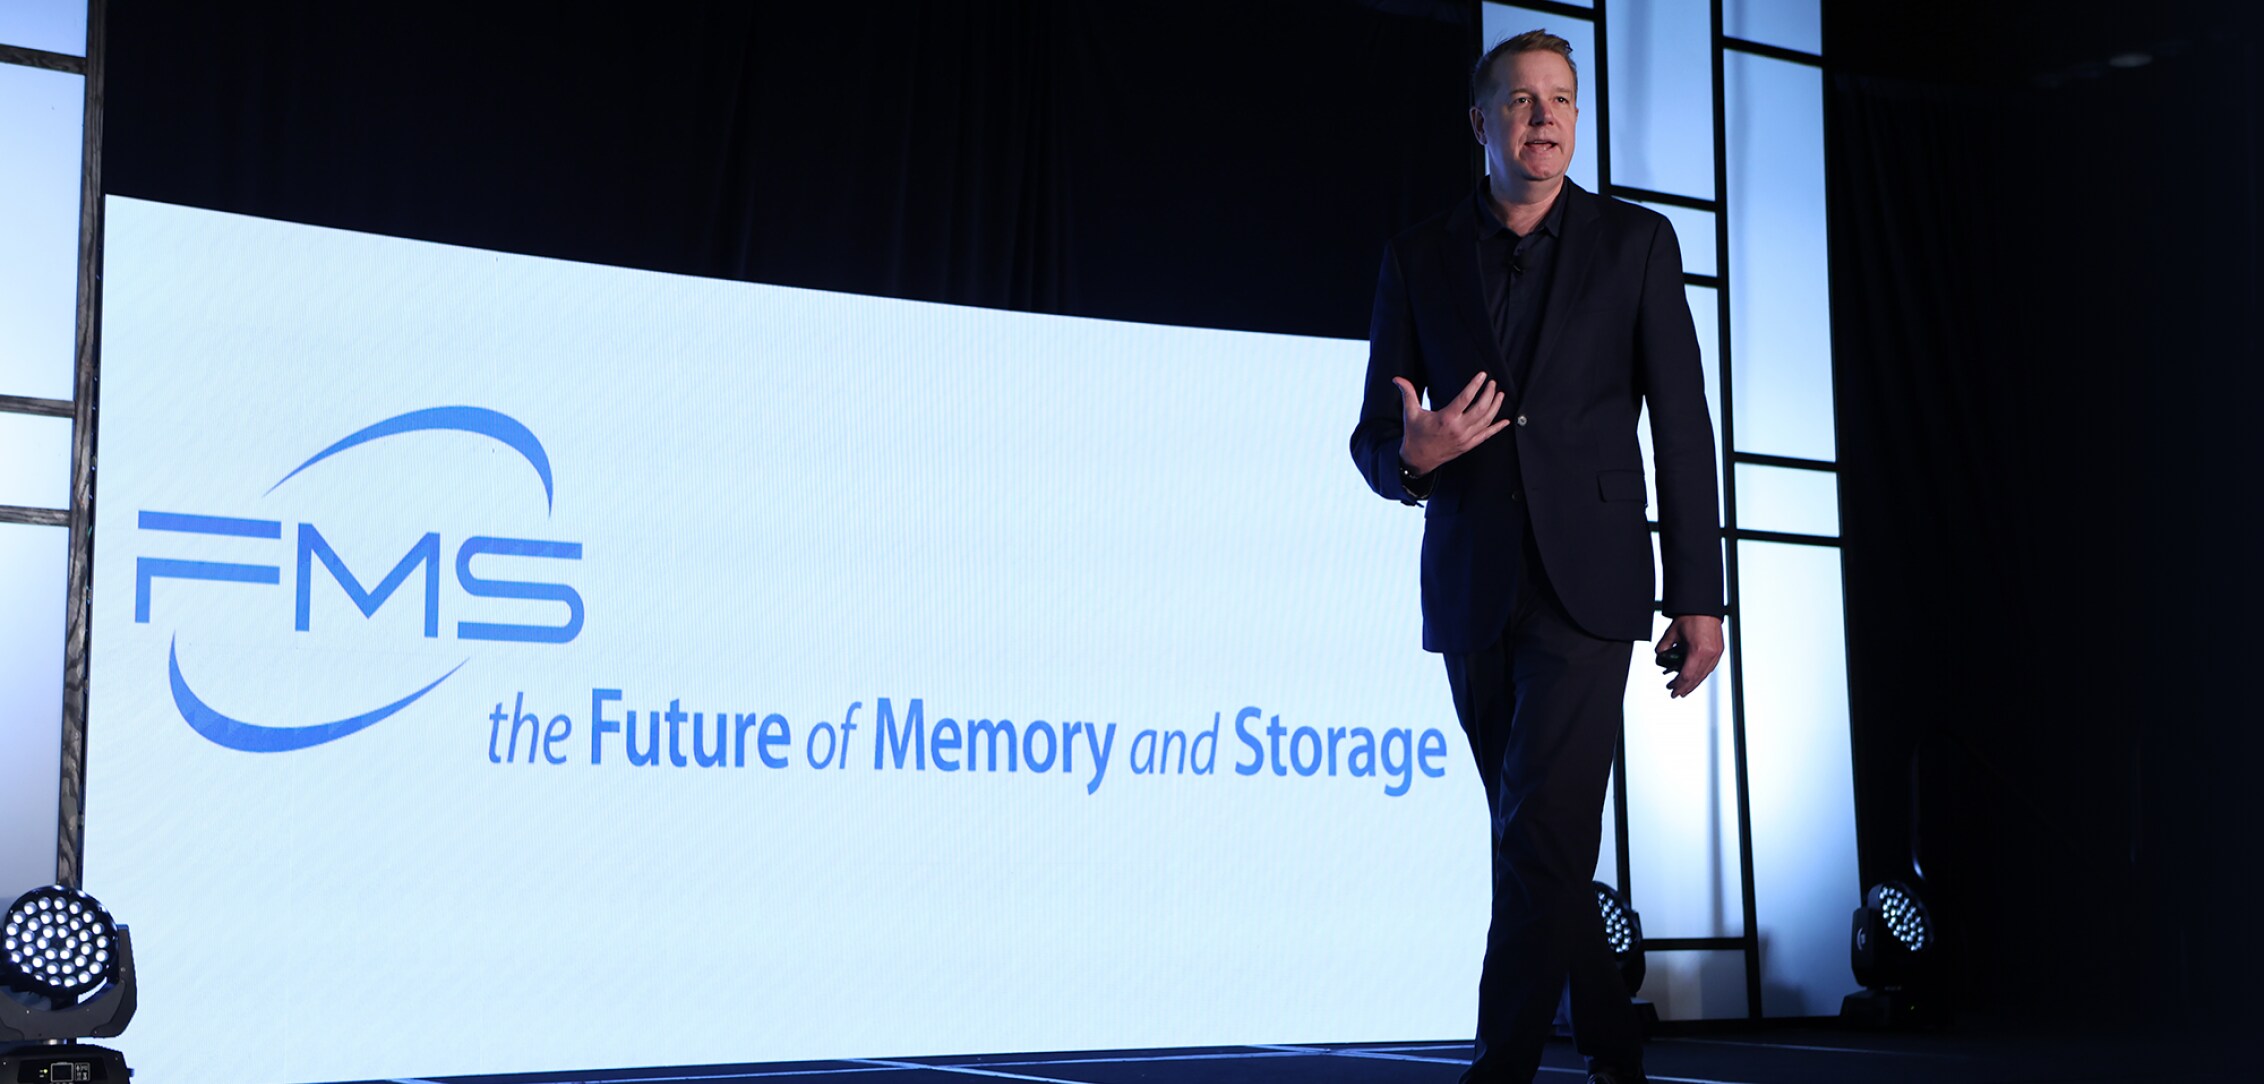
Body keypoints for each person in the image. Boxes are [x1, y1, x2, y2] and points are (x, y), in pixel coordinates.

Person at [1348, 29, 1727, 1084]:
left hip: (1590, 583)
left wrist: (1700, 595)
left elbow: (1682, 424)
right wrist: (1412, 457)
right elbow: (1372, 443)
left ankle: (1498, 1071)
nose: (1544, 117)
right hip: (1473, 584)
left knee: (1530, 843)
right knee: (1539, 845)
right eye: (1519, 101)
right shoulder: (1417, 255)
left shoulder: (1634, 243)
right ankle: (1613, 1043)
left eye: (1559, 98)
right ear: (1481, 124)